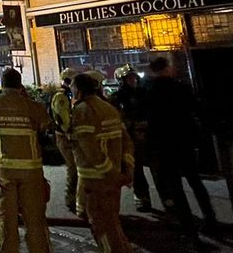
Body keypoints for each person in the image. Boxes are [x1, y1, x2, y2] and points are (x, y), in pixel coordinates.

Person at [0, 67, 52, 253]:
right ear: (20, 84)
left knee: (6, 222)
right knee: (35, 222)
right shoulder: (34, 107)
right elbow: (47, 132)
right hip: (32, 173)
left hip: (2, 173)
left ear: (1, 84)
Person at [146, 57, 217, 250]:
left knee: (176, 189)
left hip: (163, 146)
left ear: (153, 71)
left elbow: (147, 121)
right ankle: (211, 221)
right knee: (195, 182)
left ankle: (190, 233)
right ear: (166, 69)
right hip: (184, 143)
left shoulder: (149, 92)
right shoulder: (181, 88)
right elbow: (198, 110)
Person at [70, 72, 135, 253]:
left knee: (102, 227)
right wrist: (127, 171)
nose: (71, 91)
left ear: (80, 90)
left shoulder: (82, 110)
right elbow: (127, 142)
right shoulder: (109, 108)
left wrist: (111, 174)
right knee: (113, 223)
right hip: (114, 180)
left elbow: (89, 149)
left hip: (96, 180)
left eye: (73, 87)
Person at [110, 63, 155, 212]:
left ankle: (168, 198)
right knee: (136, 169)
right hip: (131, 137)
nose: (132, 80)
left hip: (148, 135)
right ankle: (142, 198)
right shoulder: (118, 97)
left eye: (133, 78)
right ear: (122, 80)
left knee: (157, 167)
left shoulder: (143, 93)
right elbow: (117, 117)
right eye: (129, 78)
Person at [51, 67, 78, 214]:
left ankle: (77, 198)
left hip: (69, 136)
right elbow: (64, 120)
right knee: (73, 168)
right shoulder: (61, 96)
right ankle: (71, 199)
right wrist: (70, 132)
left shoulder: (69, 95)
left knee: (76, 168)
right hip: (65, 137)